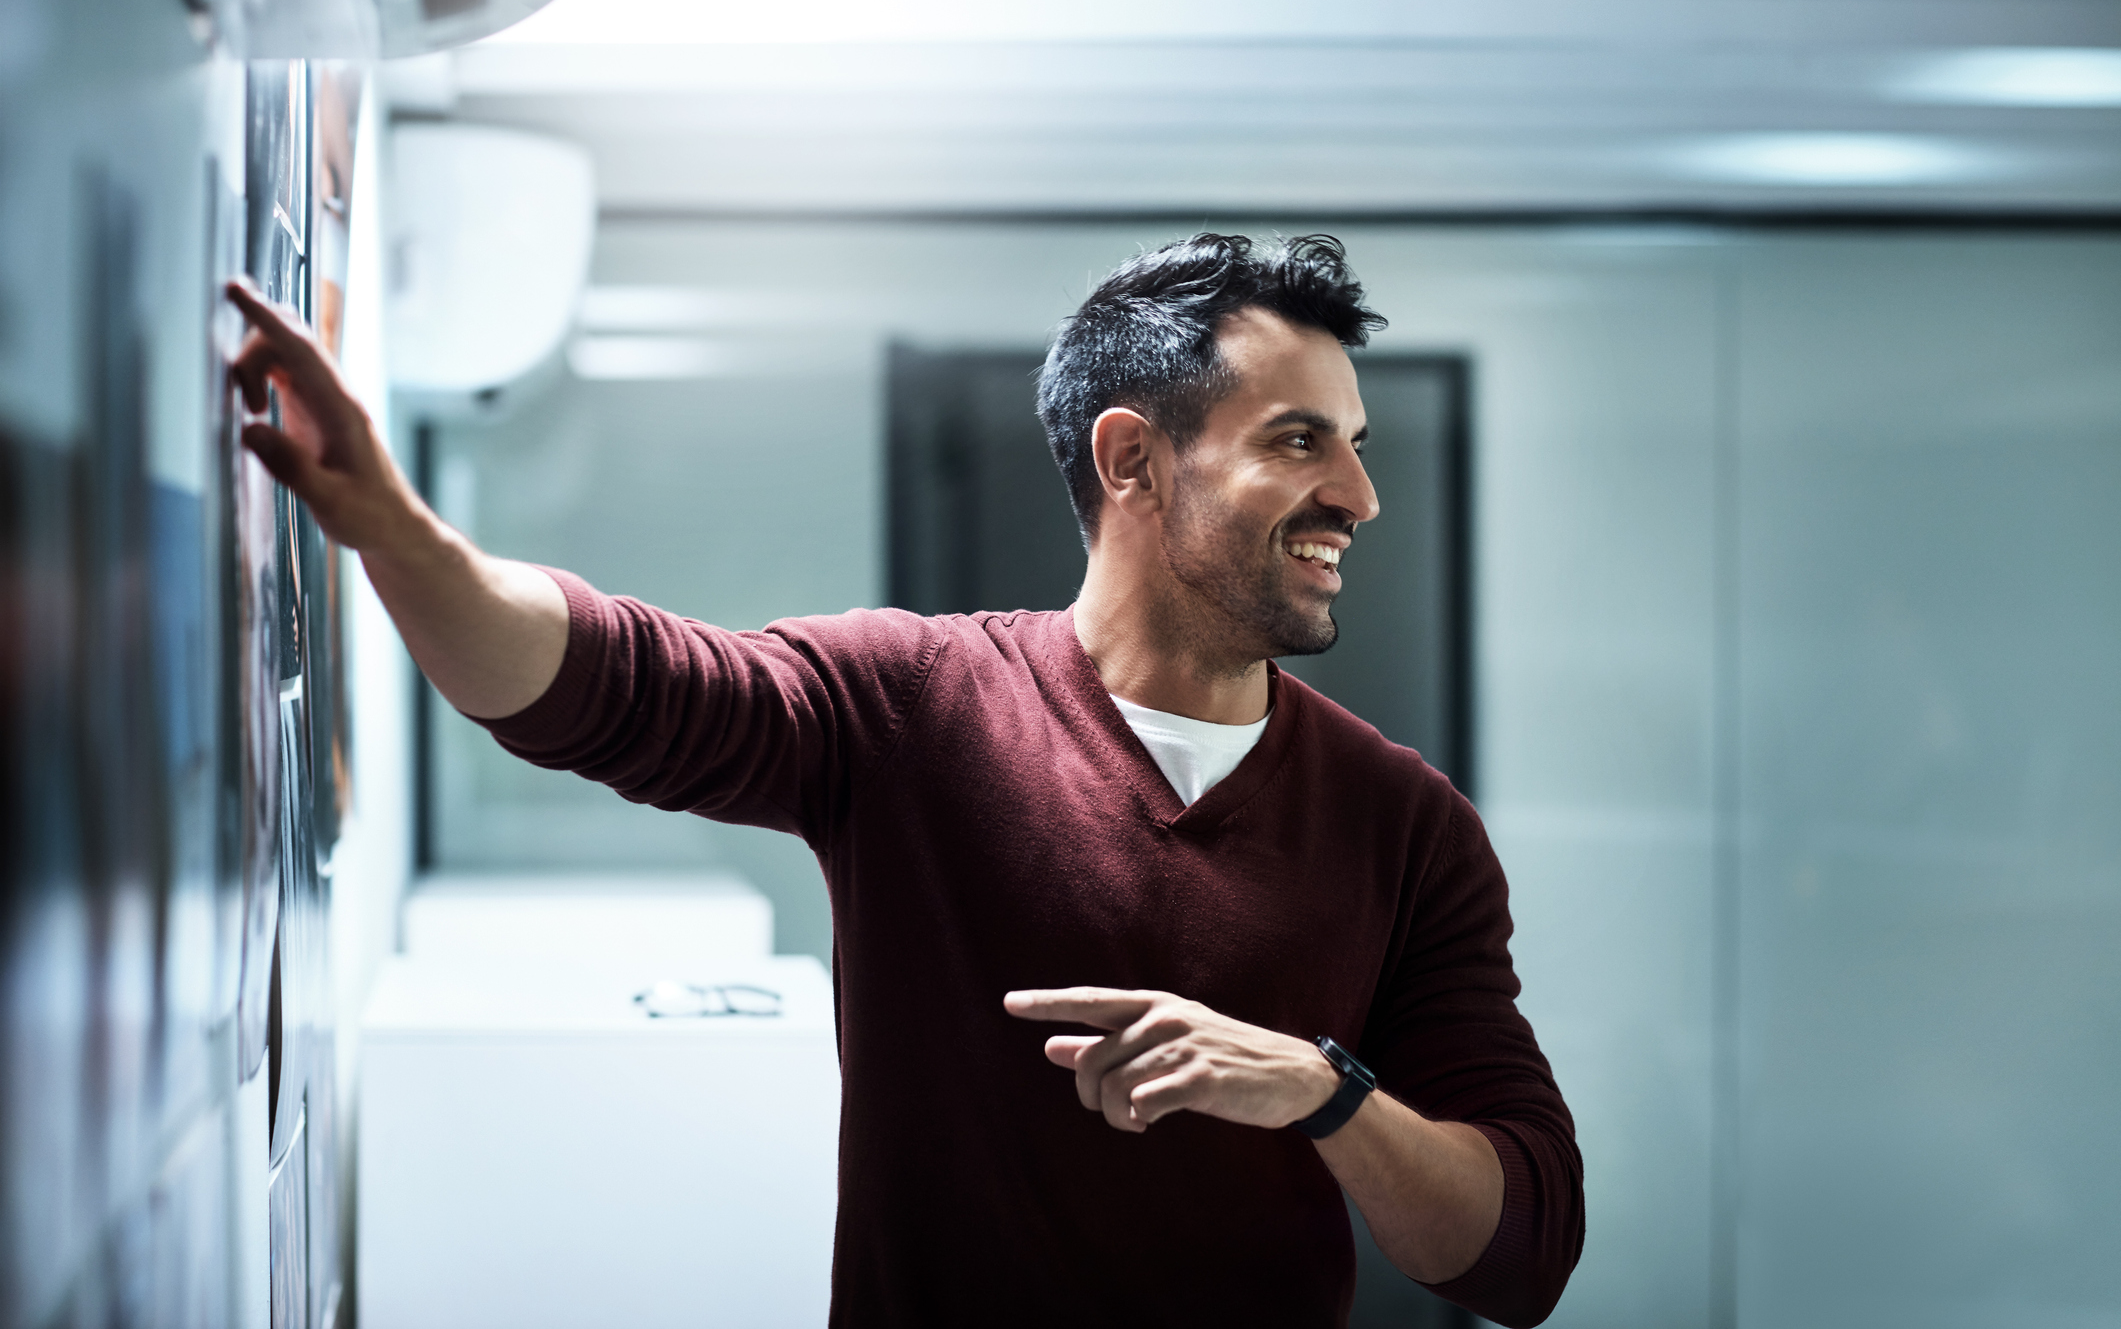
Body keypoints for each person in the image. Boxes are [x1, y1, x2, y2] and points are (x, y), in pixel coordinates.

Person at [226, 233, 1583, 1327]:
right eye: (1299, 439)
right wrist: (397, 536)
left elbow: (1517, 1248)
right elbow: (607, 687)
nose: (1358, 491)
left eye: (1354, 442)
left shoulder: (1403, 826)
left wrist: (1319, 1086)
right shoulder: (909, 706)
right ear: (1131, 461)